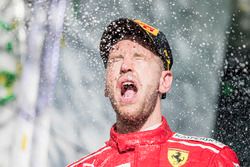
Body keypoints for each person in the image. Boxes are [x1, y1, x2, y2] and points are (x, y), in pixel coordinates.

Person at [67, 18, 240, 167]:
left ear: (164, 82)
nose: (125, 66)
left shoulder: (209, 159)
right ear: (106, 85)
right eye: (116, 59)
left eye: (138, 56)